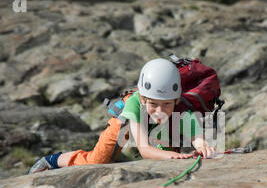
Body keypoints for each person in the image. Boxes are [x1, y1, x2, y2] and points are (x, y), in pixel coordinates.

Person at [28, 58, 216, 174]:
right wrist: (172, 156)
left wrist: (201, 146)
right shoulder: (135, 103)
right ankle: (52, 160)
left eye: (166, 104)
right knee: (97, 161)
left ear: (176, 100)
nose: (160, 110)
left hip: (158, 127)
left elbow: (196, 137)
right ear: (142, 98)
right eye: (153, 104)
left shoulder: (180, 107)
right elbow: (145, 149)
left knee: (169, 147)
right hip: (125, 124)